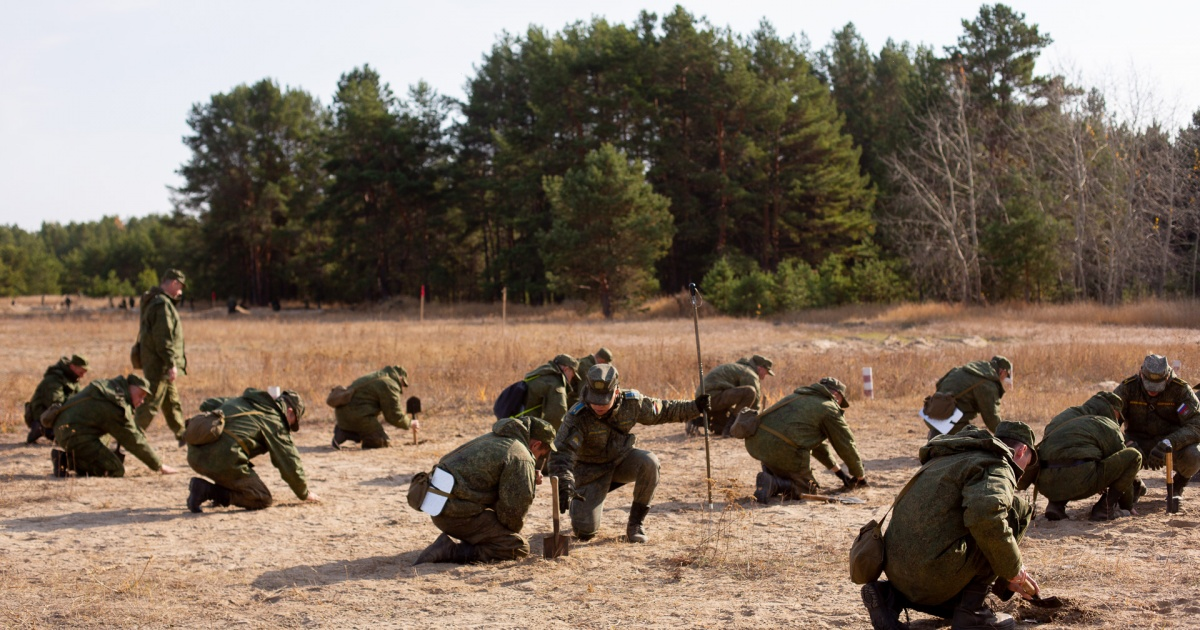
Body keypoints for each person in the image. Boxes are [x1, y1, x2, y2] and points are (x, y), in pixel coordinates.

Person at [860, 422, 1040, 630]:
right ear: (1022, 450)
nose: (1026, 469)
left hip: (898, 570)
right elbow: (985, 515)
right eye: (1029, 461)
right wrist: (1013, 570)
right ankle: (972, 611)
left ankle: (890, 596)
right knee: (1015, 510)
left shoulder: (949, 456)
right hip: (934, 570)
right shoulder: (997, 464)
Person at [548, 364, 707, 543]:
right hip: (589, 473)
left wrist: (695, 407)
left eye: (604, 400)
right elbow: (561, 453)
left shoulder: (632, 403)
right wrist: (565, 481)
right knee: (585, 532)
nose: (598, 405)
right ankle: (588, 500)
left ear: (616, 392)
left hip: (621, 462)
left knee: (649, 463)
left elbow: (663, 410)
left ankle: (635, 524)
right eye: (594, 400)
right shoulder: (577, 416)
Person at [413, 416, 558, 564]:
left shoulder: (501, 439)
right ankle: (450, 551)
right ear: (536, 445)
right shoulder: (521, 457)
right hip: (453, 514)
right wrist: (526, 481)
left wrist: (527, 477)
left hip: (440, 505)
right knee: (517, 547)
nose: (538, 459)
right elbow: (512, 517)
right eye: (541, 454)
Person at [185, 389, 320, 512]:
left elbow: (207, 404)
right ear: (290, 411)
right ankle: (208, 491)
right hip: (220, 461)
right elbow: (289, 460)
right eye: (293, 421)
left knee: (231, 452)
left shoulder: (245, 400)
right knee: (261, 498)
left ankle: (217, 492)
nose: (290, 427)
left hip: (195, 454)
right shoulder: (275, 421)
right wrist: (304, 493)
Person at [745, 377, 867, 503]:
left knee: (784, 459)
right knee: (808, 490)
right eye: (841, 401)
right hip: (782, 449)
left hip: (757, 445)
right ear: (836, 395)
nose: (840, 404)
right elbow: (846, 444)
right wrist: (860, 476)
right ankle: (775, 482)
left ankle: (772, 475)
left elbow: (818, 446)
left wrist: (840, 473)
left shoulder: (798, 397)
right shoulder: (829, 408)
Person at [1037, 391, 1145, 521]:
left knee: (1065, 459)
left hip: (1045, 483)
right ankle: (1105, 508)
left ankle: (1055, 506)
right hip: (1080, 478)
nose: (1118, 421)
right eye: (1118, 417)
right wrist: (1127, 504)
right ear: (1112, 410)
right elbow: (1123, 463)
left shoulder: (1065, 415)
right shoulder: (1106, 424)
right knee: (1134, 456)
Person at [50, 373, 179, 478]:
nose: (142, 401)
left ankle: (73, 457)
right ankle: (66, 461)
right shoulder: (116, 406)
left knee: (106, 440)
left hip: (66, 427)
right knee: (115, 469)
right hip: (72, 433)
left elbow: (132, 430)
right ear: (130, 388)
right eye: (140, 395)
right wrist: (159, 465)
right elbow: (132, 439)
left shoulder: (112, 388)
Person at [1113, 354, 1200, 505]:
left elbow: (1196, 425)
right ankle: (1135, 485)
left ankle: (1178, 486)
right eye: (1149, 385)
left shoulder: (1181, 390)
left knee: (1195, 454)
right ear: (1141, 374)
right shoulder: (1128, 388)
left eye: (1158, 386)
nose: (1153, 391)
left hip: (1171, 446)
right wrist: (1127, 442)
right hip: (1136, 444)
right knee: (1108, 449)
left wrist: (1169, 442)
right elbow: (1107, 422)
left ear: (1167, 378)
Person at [134, 268, 188, 443]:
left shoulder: (157, 301)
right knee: (150, 403)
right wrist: (171, 363)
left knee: (171, 402)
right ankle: (131, 436)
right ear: (173, 283)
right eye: (180, 287)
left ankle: (183, 435)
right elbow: (163, 338)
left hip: (159, 363)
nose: (180, 292)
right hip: (160, 365)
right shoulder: (162, 305)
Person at [330, 366, 417, 449]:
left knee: (375, 431)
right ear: (400, 377)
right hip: (356, 415)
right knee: (381, 441)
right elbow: (393, 415)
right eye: (403, 384)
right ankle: (346, 433)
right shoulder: (390, 384)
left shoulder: (379, 376)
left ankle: (344, 430)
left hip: (343, 414)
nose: (402, 386)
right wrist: (410, 423)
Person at [688, 354, 773, 436]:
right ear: (760, 368)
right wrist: (758, 421)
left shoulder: (738, 368)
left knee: (721, 427)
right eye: (766, 373)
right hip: (713, 397)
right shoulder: (750, 374)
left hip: (704, 400)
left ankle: (696, 421)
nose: (764, 376)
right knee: (750, 392)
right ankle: (730, 428)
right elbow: (754, 404)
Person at [926, 355, 1012, 436]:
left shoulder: (965, 369)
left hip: (931, 415)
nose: (1004, 379)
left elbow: (939, 384)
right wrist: (1007, 435)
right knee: (977, 442)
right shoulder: (988, 384)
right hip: (951, 423)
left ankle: (936, 436)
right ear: (1002, 372)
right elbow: (992, 420)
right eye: (1006, 376)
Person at [25, 354, 89, 444]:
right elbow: (56, 402)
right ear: (72, 367)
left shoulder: (73, 377)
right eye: (81, 373)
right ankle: (40, 428)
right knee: (67, 440)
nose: (82, 376)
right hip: (43, 415)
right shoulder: (53, 379)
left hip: (58, 415)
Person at [520, 354, 578, 430]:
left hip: (518, 424)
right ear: (566, 369)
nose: (571, 379)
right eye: (572, 375)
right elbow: (556, 418)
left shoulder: (540, 375)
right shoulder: (556, 384)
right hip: (530, 431)